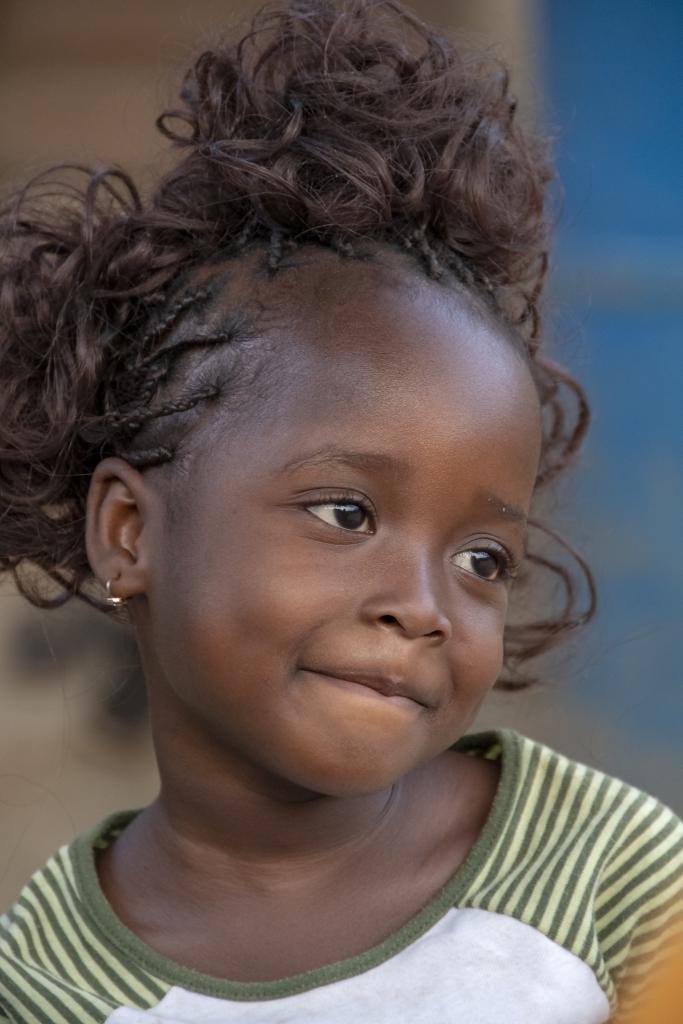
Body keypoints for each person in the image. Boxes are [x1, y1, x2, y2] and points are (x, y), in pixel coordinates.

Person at [0, 1, 681, 1021]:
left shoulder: (605, 874)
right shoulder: (54, 976)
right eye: (346, 514)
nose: (422, 606)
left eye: (482, 559)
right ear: (129, 531)